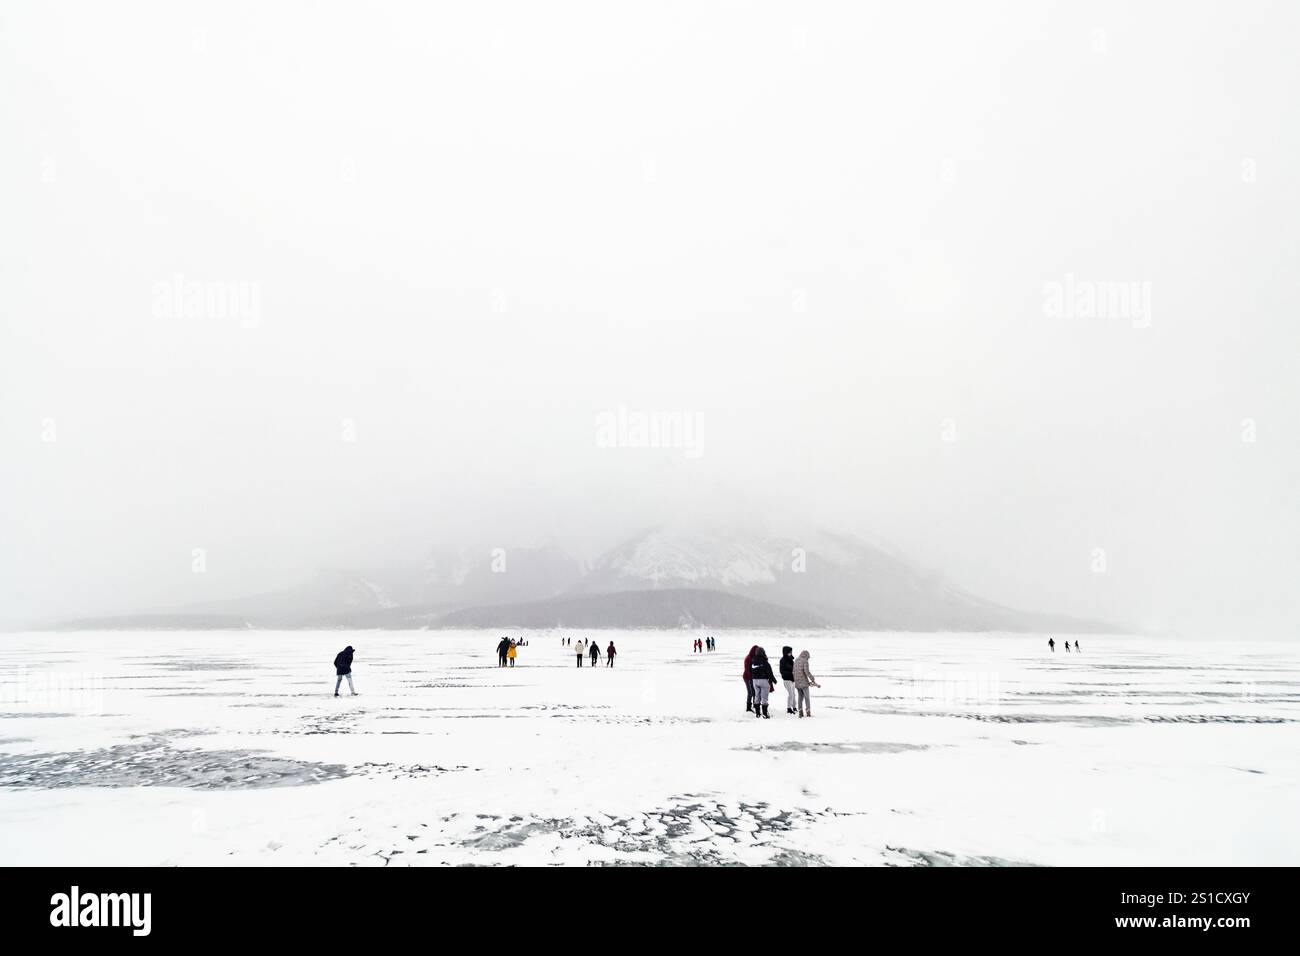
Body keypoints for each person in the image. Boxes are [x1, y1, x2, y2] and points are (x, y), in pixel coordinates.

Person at [750, 647, 776, 719]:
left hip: (755, 681)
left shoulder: (753, 660)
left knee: (757, 696)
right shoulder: (764, 661)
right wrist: (774, 680)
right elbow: (769, 672)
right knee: (764, 697)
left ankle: (757, 713)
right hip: (763, 680)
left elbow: (751, 671)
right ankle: (765, 714)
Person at [793, 650, 819, 717]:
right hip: (804, 683)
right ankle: (808, 713)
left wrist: (796, 680)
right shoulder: (805, 661)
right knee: (807, 698)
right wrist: (812, 679)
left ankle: (800, 713)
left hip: (797, 682)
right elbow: (807, 672)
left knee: (800, 698)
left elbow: (793, 671)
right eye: (808, 657)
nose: (808, 659)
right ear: (806, 656)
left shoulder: (796, 660)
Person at [779, 646, 797, 714]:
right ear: (786, 652)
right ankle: (789, 708)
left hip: (793, 679)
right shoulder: (782, 660)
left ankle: (794, 707)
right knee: (791, 694)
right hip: (786, 680)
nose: (791, 653)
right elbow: (782, 671)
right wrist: (791, 673)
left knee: (793, 694)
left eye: (791, 652)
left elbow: (794, 668)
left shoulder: (791, 660)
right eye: (789, 652)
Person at [742, 645, 757, 713]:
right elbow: (748, 670)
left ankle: (755, 705)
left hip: (752, 678)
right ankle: (748, 707)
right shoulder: (748, 658)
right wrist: (752, 679)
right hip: (747, 677)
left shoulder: (754, 657)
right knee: (750, 692)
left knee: (754, 692)